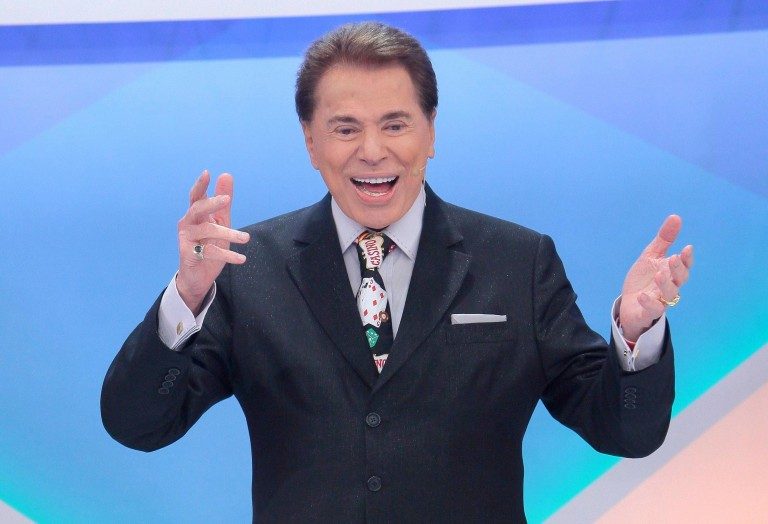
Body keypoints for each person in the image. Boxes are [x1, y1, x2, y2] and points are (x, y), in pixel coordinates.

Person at [101, 22, 693, 523]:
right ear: (310, 142)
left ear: (430, 131)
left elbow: (626, 432)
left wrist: (636, 333)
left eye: (395, 124)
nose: (372, 150)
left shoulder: (518, 261)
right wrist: (187, 295)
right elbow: (138, 426)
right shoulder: (248, 267)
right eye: (345, 128)